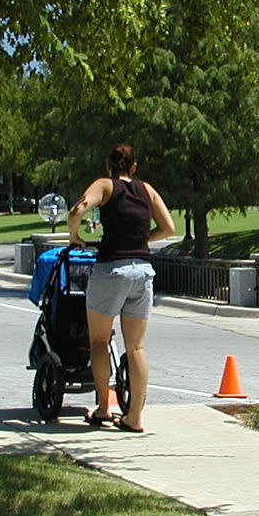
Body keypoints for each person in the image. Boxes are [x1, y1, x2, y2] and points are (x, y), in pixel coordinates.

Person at [66, 144, 174, 432]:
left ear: (108, 166)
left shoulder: (104, 185)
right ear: (134, 167)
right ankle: (134, 417)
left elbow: (77, 209)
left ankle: (103, 408)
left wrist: (74, 236)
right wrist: (141, 240)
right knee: (136, 346)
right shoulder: (146, 189)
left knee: (99, 341)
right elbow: (168, 228)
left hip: (111, 270)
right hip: (142, 271)